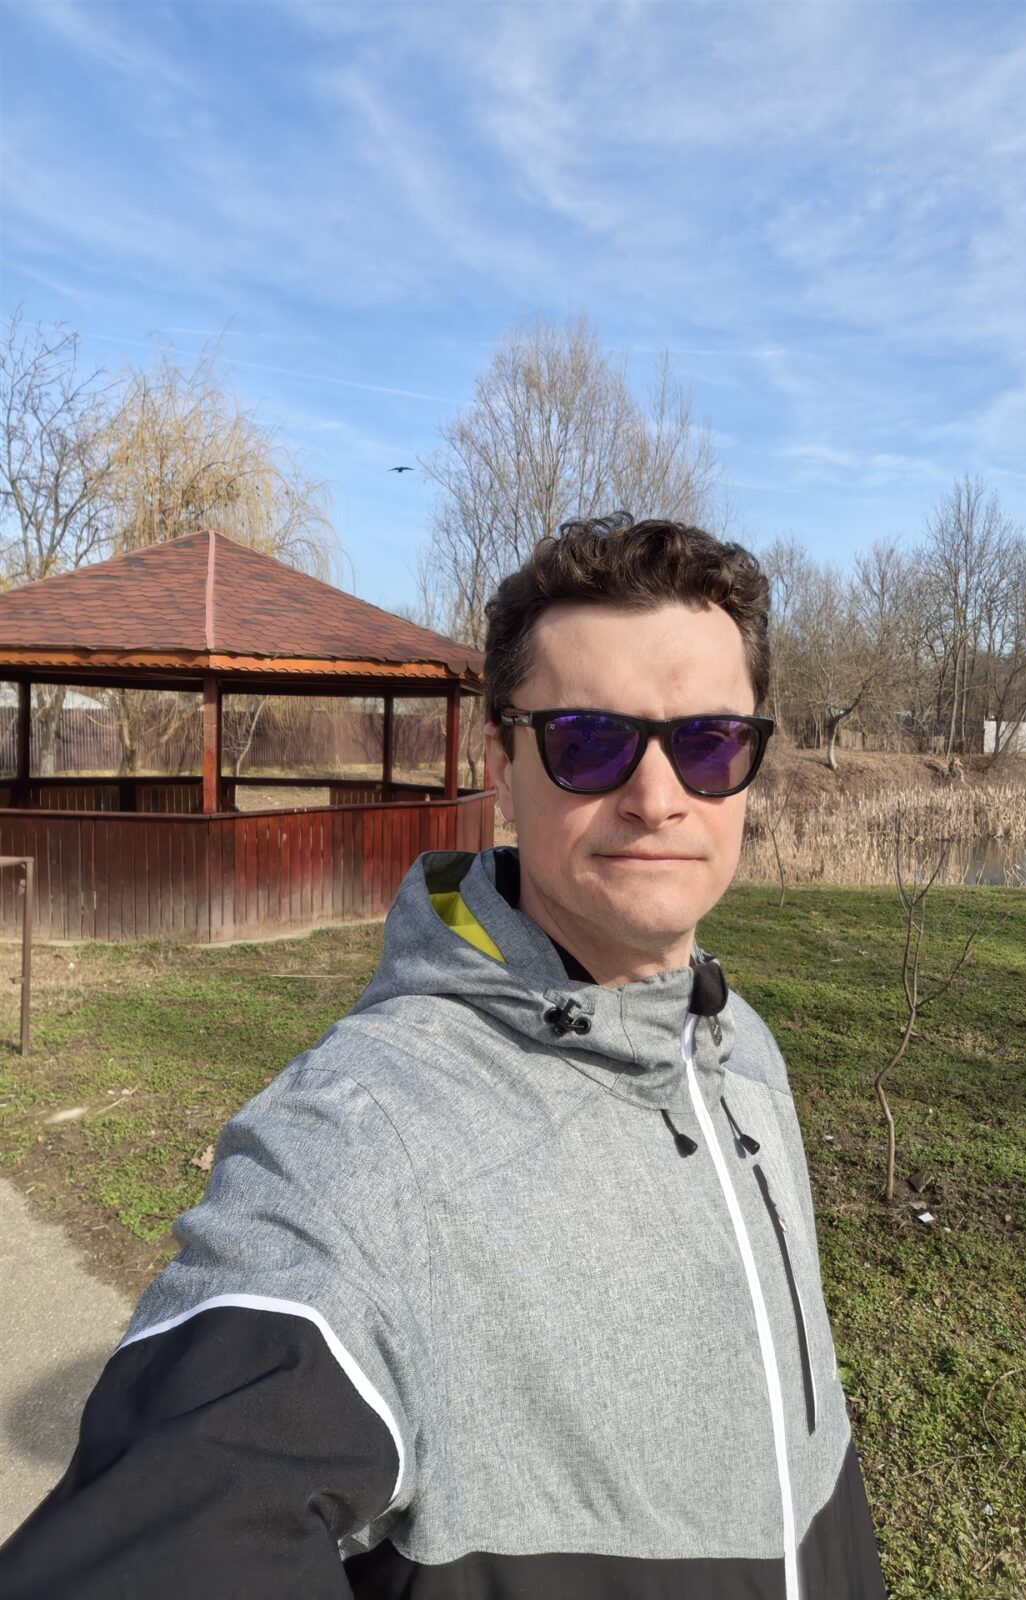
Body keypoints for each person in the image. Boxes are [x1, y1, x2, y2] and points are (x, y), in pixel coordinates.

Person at [0, 514, 886, 1599]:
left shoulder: (743, 1052)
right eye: (589, 741)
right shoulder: (369, 1136)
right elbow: (187, 1503)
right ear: (500, 768)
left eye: (709, 743)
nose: (658, 798)